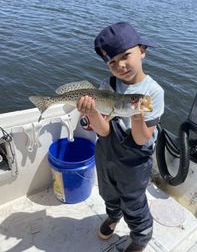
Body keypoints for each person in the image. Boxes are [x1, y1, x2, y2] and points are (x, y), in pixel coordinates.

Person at [77, 22, 164, 252]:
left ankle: (140, 237)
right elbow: (104, 131)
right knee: (108, 193)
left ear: (142, 51)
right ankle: (113, 217)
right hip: (107, 152)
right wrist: (93, 111)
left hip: (135, 160)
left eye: (126, 55)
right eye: (112, 62)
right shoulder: (107, 85)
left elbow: (141, 139)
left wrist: (136, 114)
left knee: (134, 202)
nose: (121, 65)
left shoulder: (153, 92)